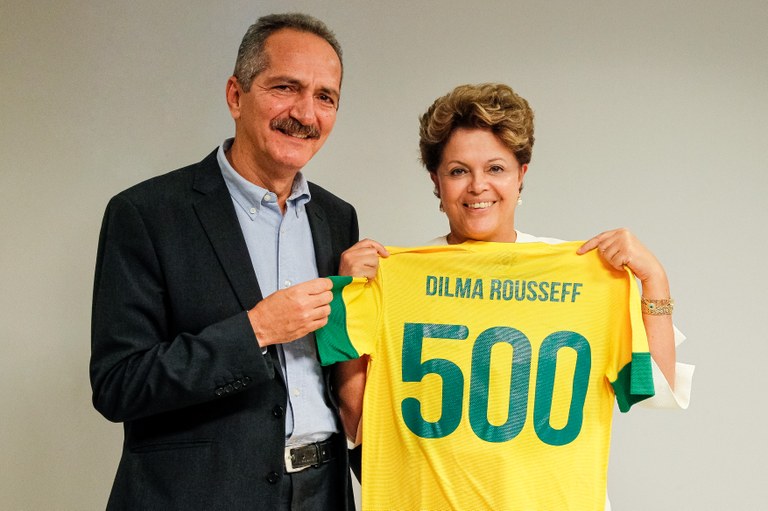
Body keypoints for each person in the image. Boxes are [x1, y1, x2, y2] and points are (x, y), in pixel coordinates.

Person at [328, 83, 693, 510]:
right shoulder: (390, 277)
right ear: (436, 182)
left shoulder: (585, 275)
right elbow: (359, 422)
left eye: (496, 168)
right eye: (458, 170)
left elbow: (657, 387)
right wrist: (347, 296)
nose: (478, 186)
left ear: (522, 175)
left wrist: (655, 279)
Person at [90, 13, 368, 510]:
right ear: (236, 95)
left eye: (325, 96)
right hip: (200, 496)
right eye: (286, 87)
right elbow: (118, 384)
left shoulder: (337, 217)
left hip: (323, 493)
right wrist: (256, 330)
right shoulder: (146, 214)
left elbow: (338, 367)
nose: (305, 113)